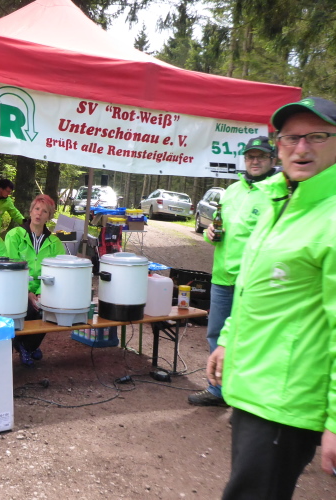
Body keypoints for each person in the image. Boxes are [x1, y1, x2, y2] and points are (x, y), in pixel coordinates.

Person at [207, 96, 336, 499]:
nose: (302, 147)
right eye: (291, 137)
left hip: (285, 399)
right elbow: (249, 285)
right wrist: (227, 341)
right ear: (279, 145)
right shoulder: (279, 201)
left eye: (317, 136)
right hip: (253, 388)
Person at [187, 135, 276, 407]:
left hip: (254, 282)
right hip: (222, 277)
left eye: (261, 156)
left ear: (272, 159)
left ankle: (246, 399)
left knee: (250, 340)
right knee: (216, 334)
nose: (255, 161)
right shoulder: (233, 190)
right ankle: (218, 390)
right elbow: (218, 227)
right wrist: (210, 234)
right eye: (250, 156)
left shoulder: (278, 192)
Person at [5, 194, 65, 365]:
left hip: (44, 289)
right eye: (37, 209)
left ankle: (28, 345)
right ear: (30, 211)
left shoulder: (54, 242)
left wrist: (40, 293)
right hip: (16, 288)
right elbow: (11, 267)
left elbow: (58, 271)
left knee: (49, 310)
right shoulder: (14, 235)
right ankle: (25, 344)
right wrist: (28, 292)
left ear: (49, 216)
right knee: (28, 309)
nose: (39, 213)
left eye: (44, 211)